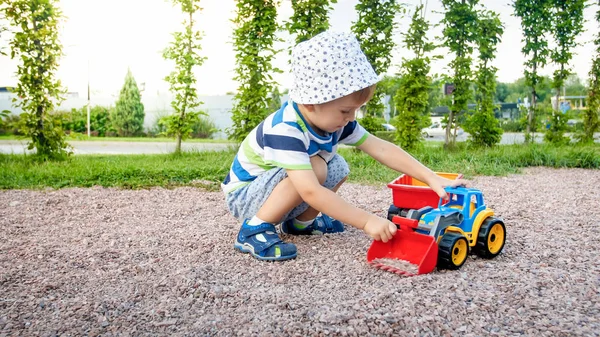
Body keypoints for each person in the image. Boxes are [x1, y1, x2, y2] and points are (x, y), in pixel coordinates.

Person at [221, 31, 467, 261]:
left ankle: (299, 225)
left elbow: (381, 148)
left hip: (276, 191)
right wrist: (367, 221)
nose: (351, 117)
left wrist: (430, 177)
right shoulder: (286, 129)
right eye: (345, 110)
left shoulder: (336, 122)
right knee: (317, 168)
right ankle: (254, 229)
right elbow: (310, 191)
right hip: (246, 197)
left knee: (337, 165)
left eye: (355, 110)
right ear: (310, 103)